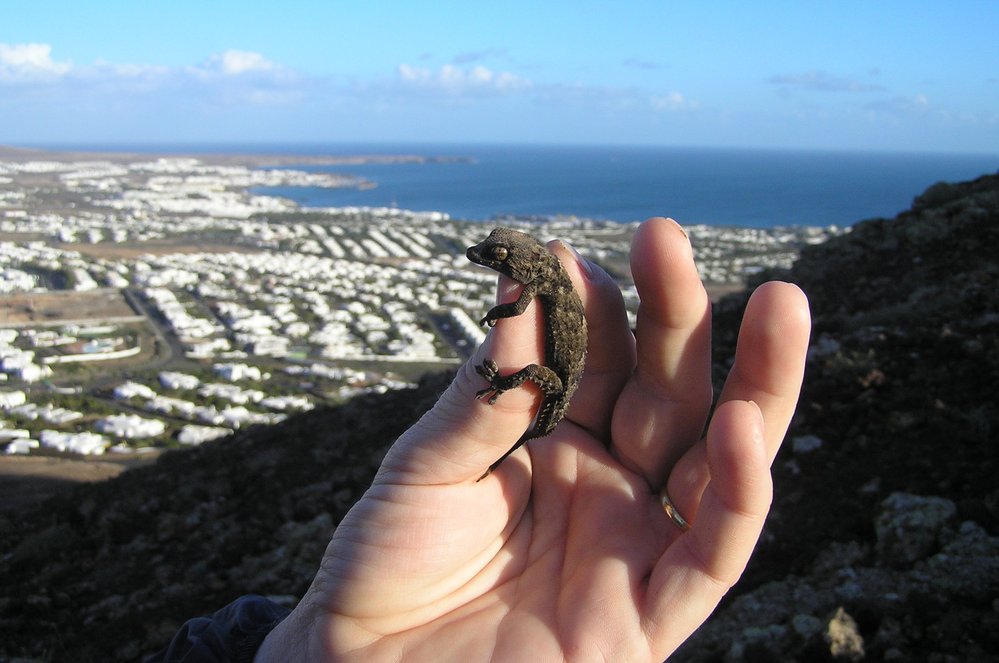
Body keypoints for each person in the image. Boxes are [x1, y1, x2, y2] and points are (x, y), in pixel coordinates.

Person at [150, 217, 811, 662]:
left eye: (496, 260)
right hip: (562, 395)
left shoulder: (537, 294)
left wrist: (507, 339)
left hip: (559, 387)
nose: (487, 262)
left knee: (532, 376)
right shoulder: (543, 283)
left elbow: (533, 331)